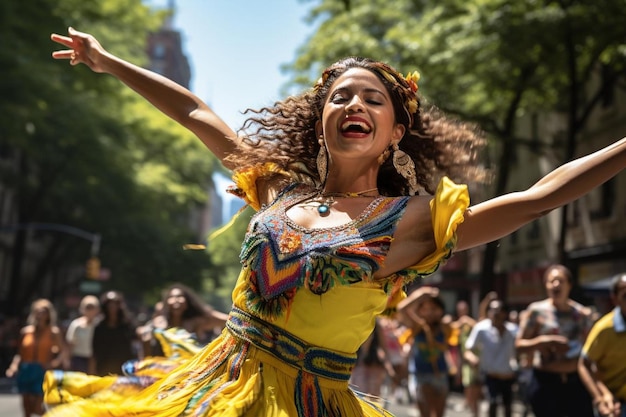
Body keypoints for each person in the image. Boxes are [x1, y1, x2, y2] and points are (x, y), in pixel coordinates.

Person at [43, 26, 625, 417]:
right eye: (341, 97)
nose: (356, 106)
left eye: (374, 100)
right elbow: (198, 113)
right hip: (215, 389)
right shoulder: (278, 188)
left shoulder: (413, 222)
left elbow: (542, 195)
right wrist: (108, 62)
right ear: (319, 119)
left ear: (395, 132)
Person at [516, 264, 595, 417]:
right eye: (551, 281)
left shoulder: (581, 314)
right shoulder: (535, 311)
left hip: (576, 384)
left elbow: (590, 351)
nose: (555, 284)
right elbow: (519, 345)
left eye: (560, 280)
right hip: (545, 383)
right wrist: (544, 342)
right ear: (545, 285)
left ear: (569, 285)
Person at [6, 299, 68, 417]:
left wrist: (53, 363)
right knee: (27, 406)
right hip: (25, 370)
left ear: (48, 314)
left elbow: (63, 352)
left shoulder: (53, 332)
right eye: (38, 311)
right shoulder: (26, 331)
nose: (40, 314)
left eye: (43, 312)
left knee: (37, 406)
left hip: (42, 370)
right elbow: (20, 353)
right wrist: (13, 367)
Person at [398, 286, 453, 417]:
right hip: (421, 375)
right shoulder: (417, 327)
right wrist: (421, 294)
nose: (429, 313)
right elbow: (401, 309)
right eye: (425, 309)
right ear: (420, 311)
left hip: (440, 375)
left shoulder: (445, 328)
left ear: (441, 310)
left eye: (434, 309)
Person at [578, 273, 626, 417]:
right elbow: (584, 364)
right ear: (615, 299)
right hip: (614, 405)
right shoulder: (604, 329)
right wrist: (600, 397)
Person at [137, 283, 229, 357]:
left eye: (180, 297)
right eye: (171, 297)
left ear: (187, 302)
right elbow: (142, 333)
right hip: (164, 370)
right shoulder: (160, 322)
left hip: (190, 369)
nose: (176, 300)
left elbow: (226, 319)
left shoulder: (195, 322)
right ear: (166, 302)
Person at [465, 299, 518, 417]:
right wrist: (472, 358)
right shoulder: (481, 329)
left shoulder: (513, 330)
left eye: (498, 311)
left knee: (508, 406)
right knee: (492, 403)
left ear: (504, 313)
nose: (494, 314)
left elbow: (520, 350)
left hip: (508, 375)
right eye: (492, 310)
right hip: (490, 375)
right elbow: (468, 350)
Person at [90, 290, 136, 376]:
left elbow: (134, 346)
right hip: (103, 368)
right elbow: (94, 350)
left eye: (115, 303)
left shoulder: (127, 325)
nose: (112, 306)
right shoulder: (99, 326)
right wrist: (92, 371)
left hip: (124, 369)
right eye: (109, 303)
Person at [65, 295, 100, 373]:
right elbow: (70, 343)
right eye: (88, 307)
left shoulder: (99, 325)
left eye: (92, 307)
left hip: (95, 359)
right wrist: (67, 360)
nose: (90, 310)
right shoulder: (76, 324)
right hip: (78, 359)